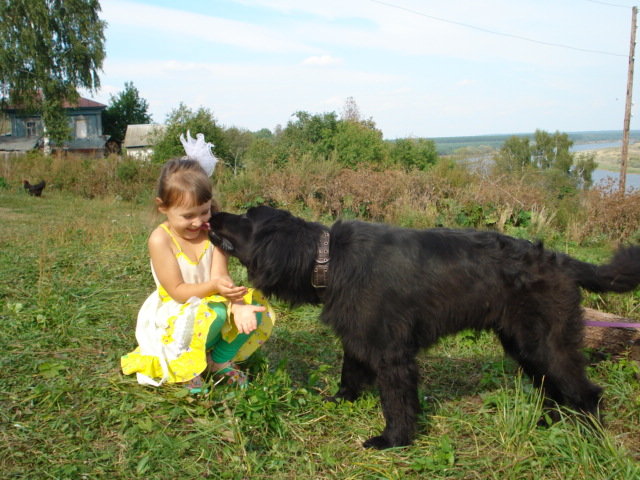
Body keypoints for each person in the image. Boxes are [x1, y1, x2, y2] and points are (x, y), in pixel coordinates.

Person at [121, 132, 274, 392]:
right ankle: (185, 365)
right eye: (187, 216)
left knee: (254, 306)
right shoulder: (161, 239)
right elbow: (178, 292)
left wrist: (237, 302)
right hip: (175, 311)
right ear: (163, 207)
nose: (197, 222)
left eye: (204, 211)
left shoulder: (212, 232)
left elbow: (220, 275)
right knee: (215, 312)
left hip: (210, 301)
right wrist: (218, 290)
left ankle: (219, 360)